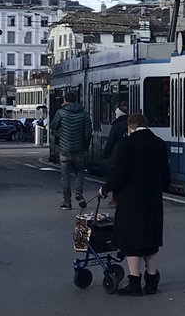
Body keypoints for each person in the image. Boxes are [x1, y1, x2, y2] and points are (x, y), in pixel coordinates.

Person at [100, 113, 168, 296]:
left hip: (131, 201)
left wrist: (106, 189)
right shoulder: (160, 144)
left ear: (131, 126)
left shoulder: (127, 144)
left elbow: (119, 173)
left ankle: (134, 283)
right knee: (151, 241)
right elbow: (166, 175)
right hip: (153, 200)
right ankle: (152, 281)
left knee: (132, 242)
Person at [49, 91, 91, 210]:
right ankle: (79, 193)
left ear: (65, 101)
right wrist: (85, 146)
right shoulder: (84, 114)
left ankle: (67, 201)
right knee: (80, 172)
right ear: (76, 100)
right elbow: (88, 132)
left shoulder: (60, 113)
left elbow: (53, 126)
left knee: (65, 175)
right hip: (79, 149)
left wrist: (60, 135)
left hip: (65, 149)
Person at [101, 101, 130, 207]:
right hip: (129, 155)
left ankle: (115, 199)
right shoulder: (131, 124)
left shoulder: (116, 125)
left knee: (116, 177)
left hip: (117, 155)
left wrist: (104, 155)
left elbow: (110, 142)